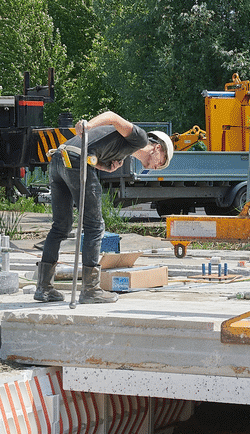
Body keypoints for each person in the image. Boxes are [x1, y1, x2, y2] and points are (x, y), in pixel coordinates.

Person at [35, 112, 174, 304]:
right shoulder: (140, 137)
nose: (159, 166)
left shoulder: (124, 150)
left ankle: (44, 288)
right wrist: (88, 126)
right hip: (74, 162)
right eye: (162, 160)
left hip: (59, 158)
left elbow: (91, 155)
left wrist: (105, 167)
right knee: (94, 226)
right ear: (157, 147)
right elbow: (112, 117)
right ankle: (90, 290)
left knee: (60, 226)